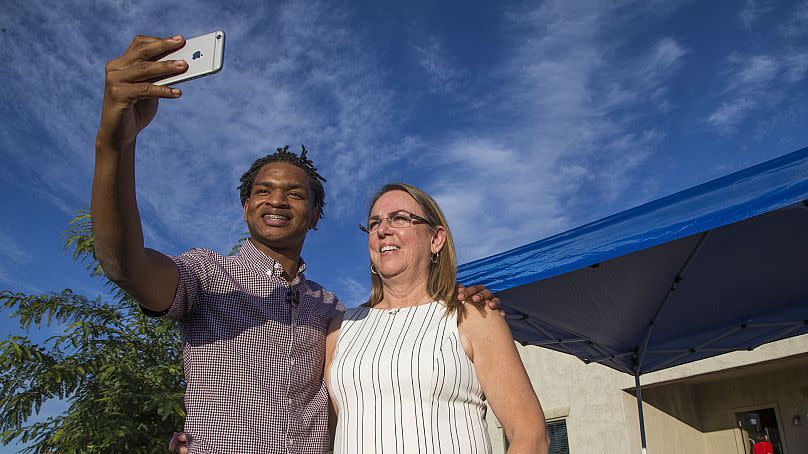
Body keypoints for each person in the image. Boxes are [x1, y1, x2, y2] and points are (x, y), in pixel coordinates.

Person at [92, 34, 499, 453]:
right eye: (263, 190)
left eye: (295, 193)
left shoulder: (332, 312)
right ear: (246, 206)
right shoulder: (207, 275)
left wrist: (457, 298)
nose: (277, 200)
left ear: (316, 214)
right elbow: (125, 264)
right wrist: (114, 142)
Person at [324, 183, 549, 453]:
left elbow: (529, 434)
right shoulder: (341, 329)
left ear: (436, 239)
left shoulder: (472, 315)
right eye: (374, 224)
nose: (383, 230)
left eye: (399, 218)